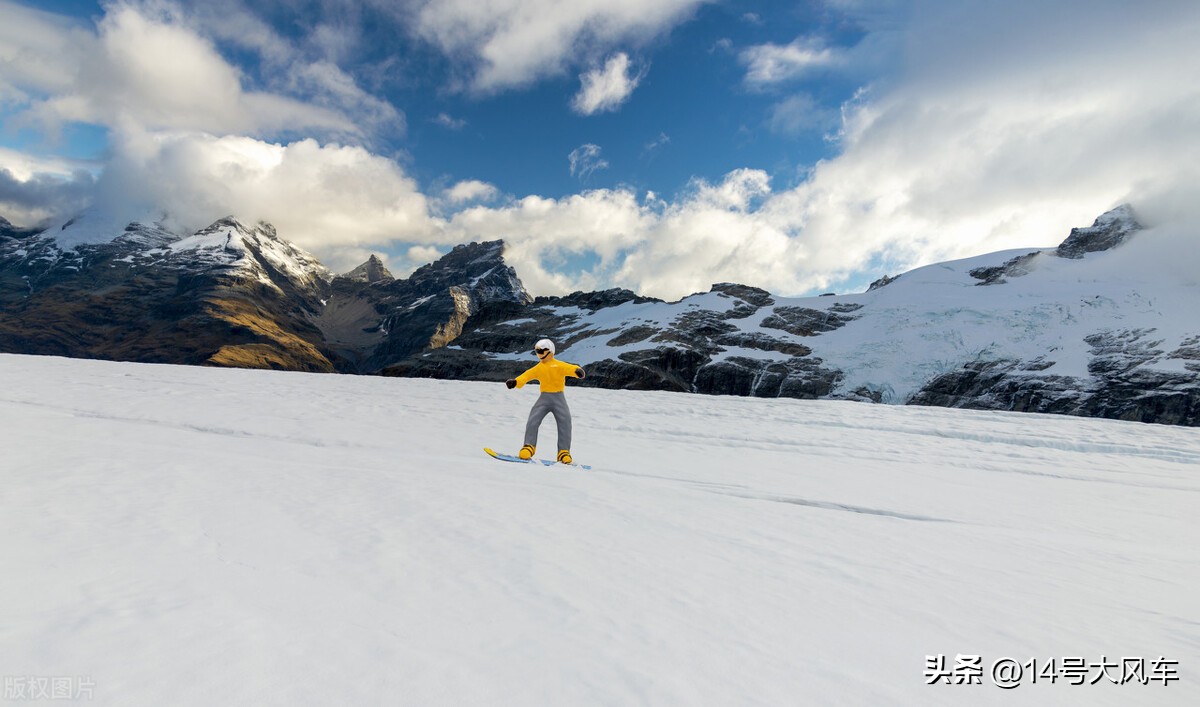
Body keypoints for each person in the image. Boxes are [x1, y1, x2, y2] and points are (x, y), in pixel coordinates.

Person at [506, 338, 585, 464]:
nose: (540, 353)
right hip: (544, 398)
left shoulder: (558, 365)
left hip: (559, 397)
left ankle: (563, 452)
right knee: (533, 420)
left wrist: (577, 371)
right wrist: (516, 382)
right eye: (538, 351)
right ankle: (528, 446)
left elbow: (569, 368)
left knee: (565, 422)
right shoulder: (538, 368)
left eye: (543, 350)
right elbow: (527, 375)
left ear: (551, 351)